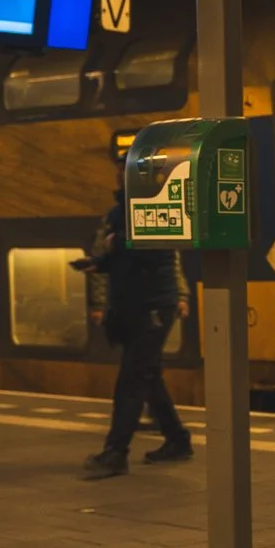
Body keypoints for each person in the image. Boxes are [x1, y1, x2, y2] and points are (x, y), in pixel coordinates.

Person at [77, 147, 192, 479]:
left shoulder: (157, 206)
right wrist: (98, 263)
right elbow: (120, 255)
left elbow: (157, 250)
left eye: (123, 171)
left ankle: (116, 452)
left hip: (154, 306)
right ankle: (177, 440)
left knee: (131, 381)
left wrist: (118, 245)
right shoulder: (117, 212)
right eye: (117, 171)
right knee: (148, 377)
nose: (118, 176)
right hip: (132, 307)